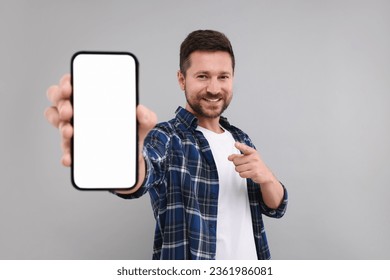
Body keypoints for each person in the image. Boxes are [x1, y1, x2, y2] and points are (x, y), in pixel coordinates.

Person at [45, 30, 288, 260]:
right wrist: (113, 152)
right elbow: (138, 180)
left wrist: (267, 177)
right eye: (202, 76)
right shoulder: (166, 137)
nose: (214, 88)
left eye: (223, 77)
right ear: (182, 79)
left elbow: (276, 207)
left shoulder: (241, 139)